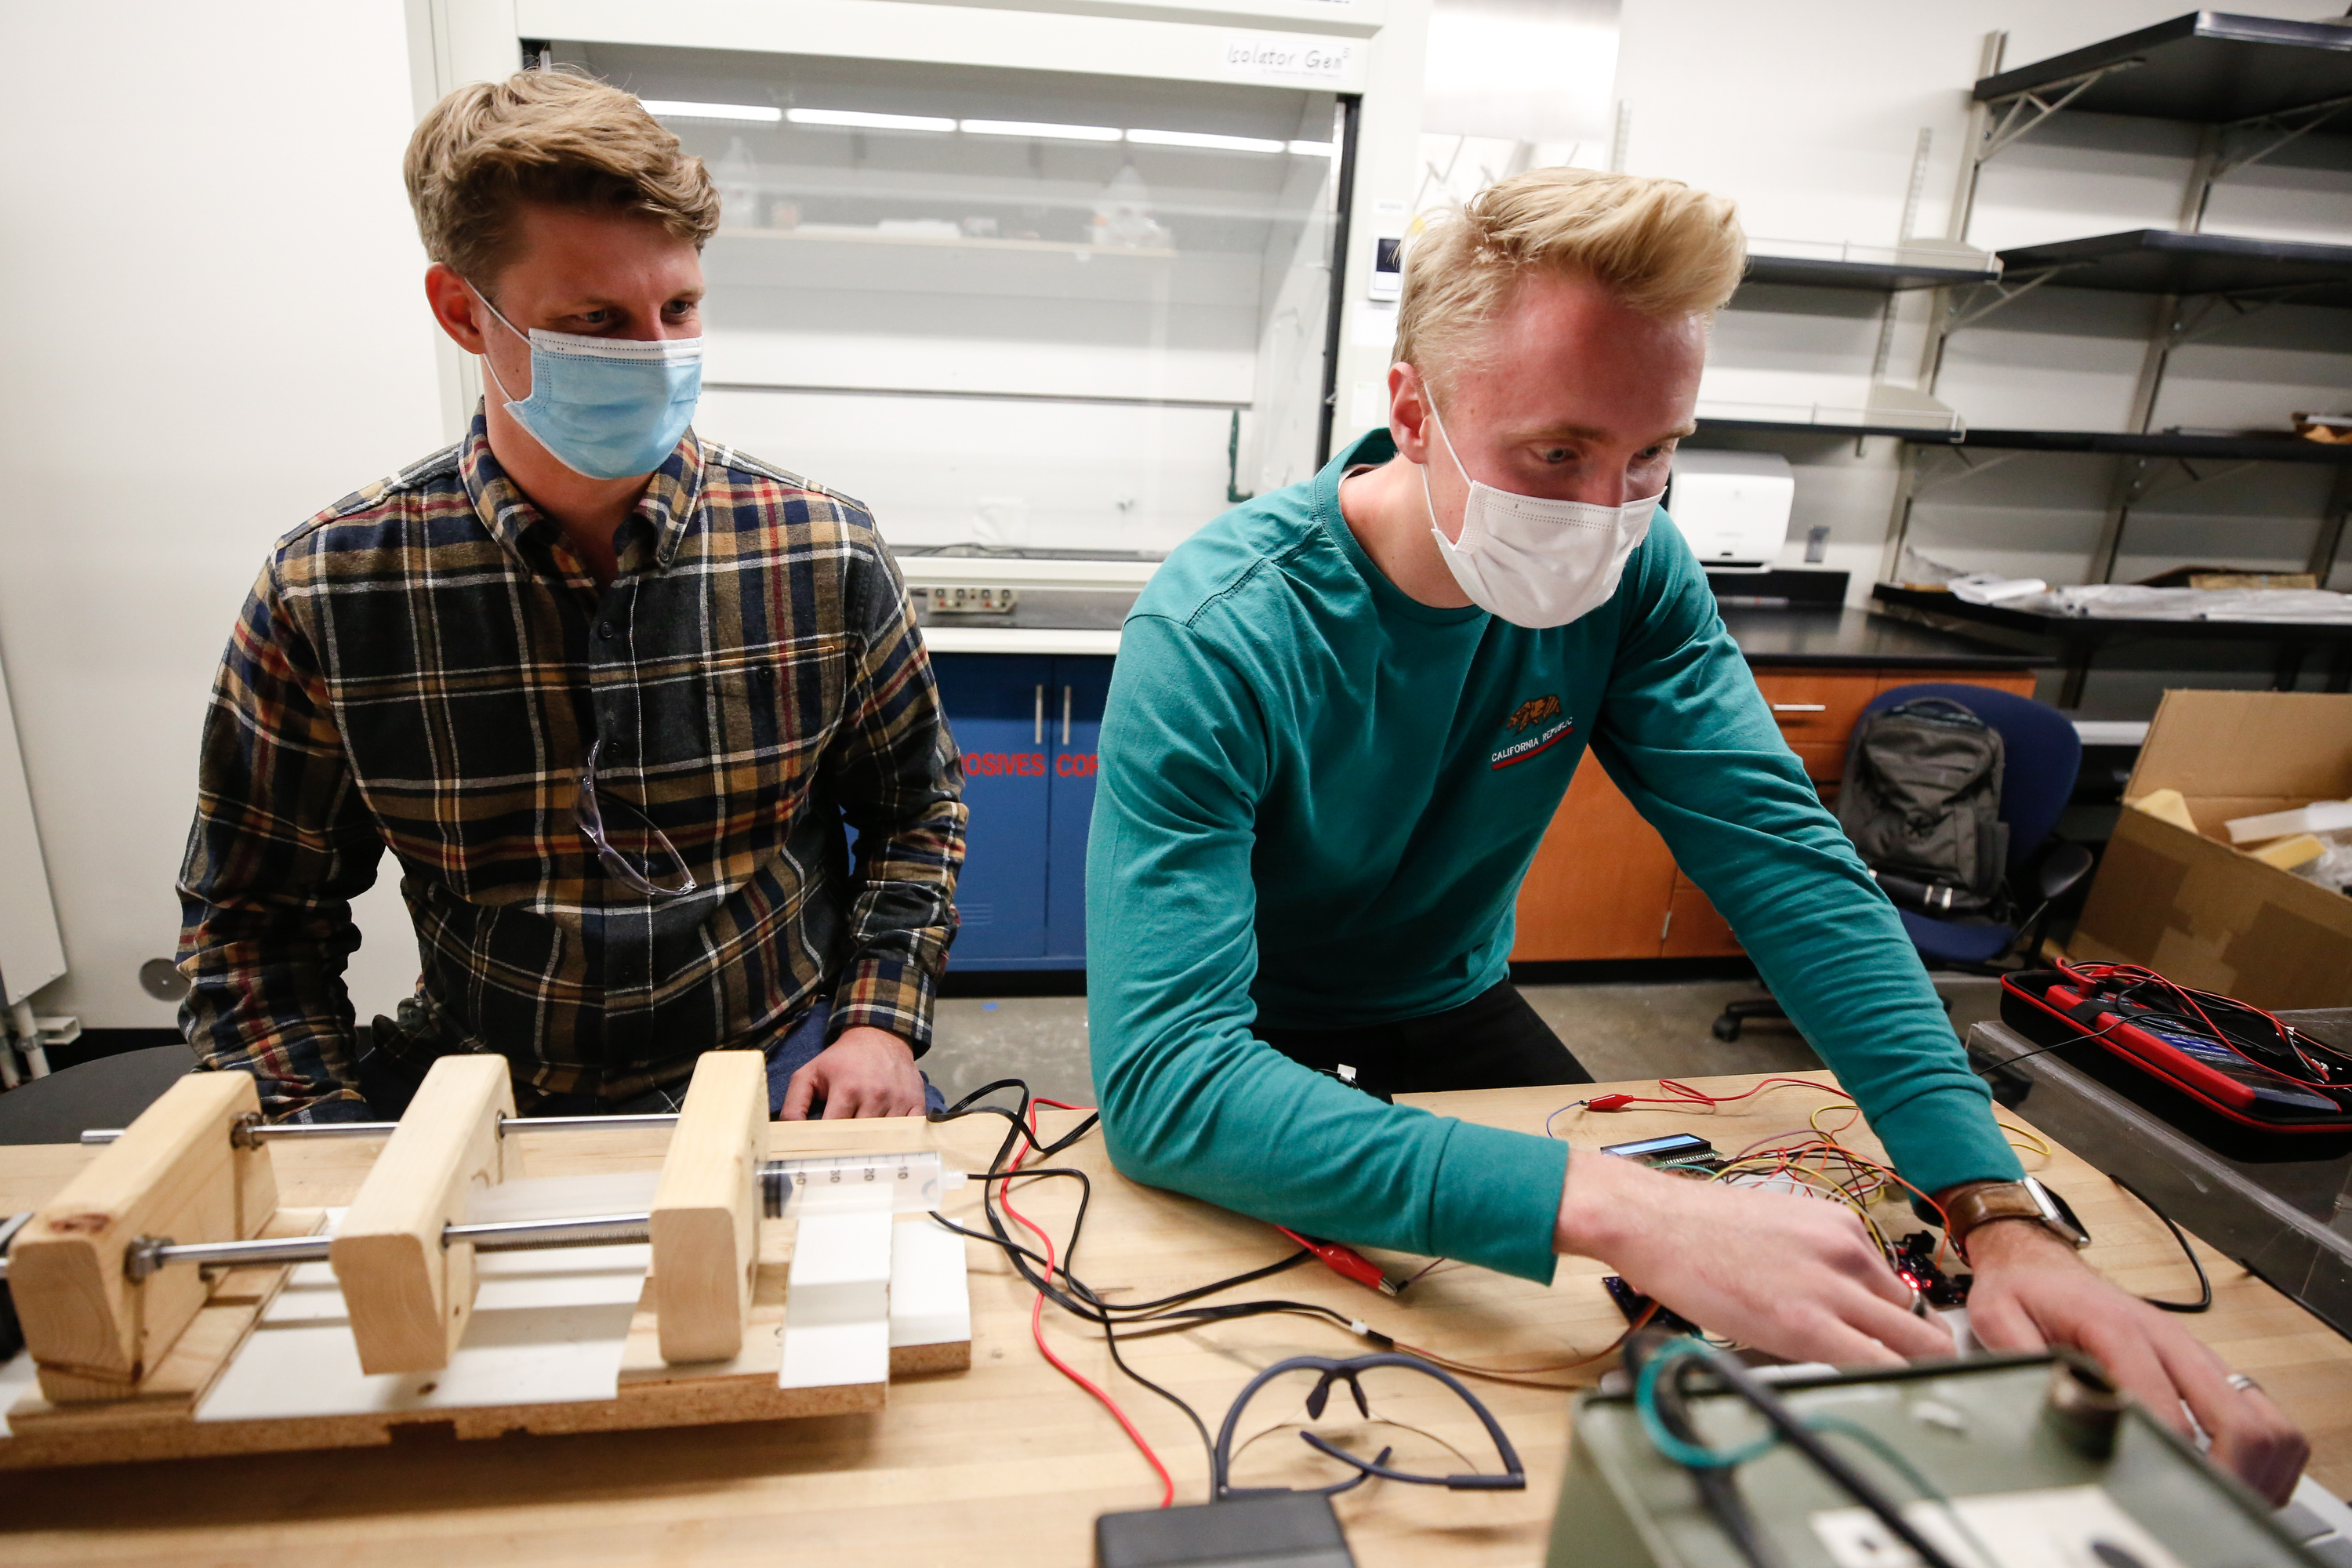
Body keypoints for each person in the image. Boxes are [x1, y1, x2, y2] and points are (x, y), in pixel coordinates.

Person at [1084, 167, 2305, 1499]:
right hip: (1250, 1033)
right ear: (1413, 410)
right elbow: (1169, 1083)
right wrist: (1614, 1206)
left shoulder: (1638, 570)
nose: (1611, 511)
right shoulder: (1222, 630)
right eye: (1556, 454)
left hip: (1449, 1004)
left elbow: (1788, 866)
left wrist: (1995, 1208)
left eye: (1654, 453)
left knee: (1632, 1345)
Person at [177, 69, 964, 1126]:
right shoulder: (331, 591)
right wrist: (326, 1138)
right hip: (483, 1084)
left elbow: (917, 813)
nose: (657, 356)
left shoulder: (819, 551)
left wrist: (878, 1020)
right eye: (596, 321)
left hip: (780, 1068)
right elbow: (254, 919)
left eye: (679, 307)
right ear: (463, 311)